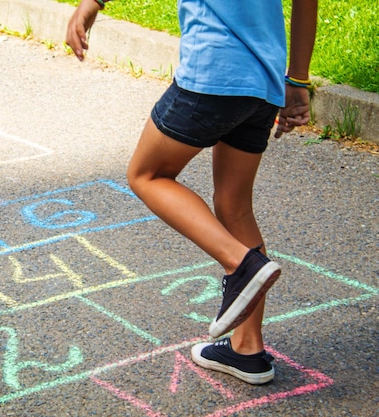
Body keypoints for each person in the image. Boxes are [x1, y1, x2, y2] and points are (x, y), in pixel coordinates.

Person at [66, 0, 317, 384]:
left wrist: (91, 4)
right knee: (234, 205)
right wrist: (298, 79)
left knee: (147, 175)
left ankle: (242, 264)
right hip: (264, 80)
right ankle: (246, 349)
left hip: (213, 69)